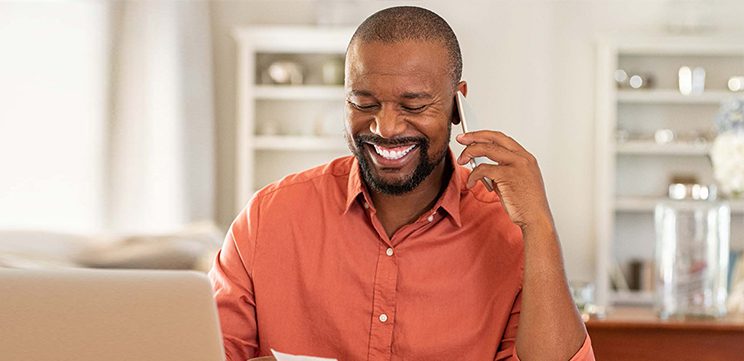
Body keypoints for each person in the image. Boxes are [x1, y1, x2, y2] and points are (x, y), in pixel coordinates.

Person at [210, 6, 595, 361]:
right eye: (363, 103)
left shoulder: (510, 232)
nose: (386, 128)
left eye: (413, 106)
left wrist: (540, 226)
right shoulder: (269, 217)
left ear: (457, 103)